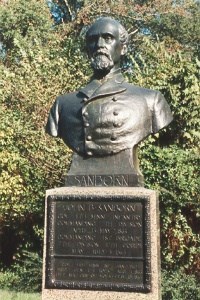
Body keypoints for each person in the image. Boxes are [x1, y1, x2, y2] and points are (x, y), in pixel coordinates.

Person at [46, 17, 173, 186]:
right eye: (93, 39)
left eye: (107, 38)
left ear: (123, 48)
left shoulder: (151, 100)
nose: (99, 44)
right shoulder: (63, 105)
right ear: (87, 50)